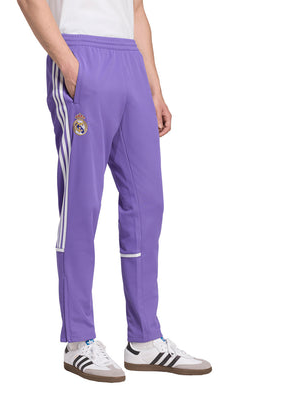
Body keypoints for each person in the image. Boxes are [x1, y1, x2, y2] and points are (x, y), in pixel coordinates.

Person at [17, 0, 212, 382]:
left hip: (130, 62)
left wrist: (153, 87)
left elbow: (136, 10)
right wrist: (69, 65)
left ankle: (144, 340)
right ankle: (79, 341)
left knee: (146, 203)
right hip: (79, 52)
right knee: (82, 204)